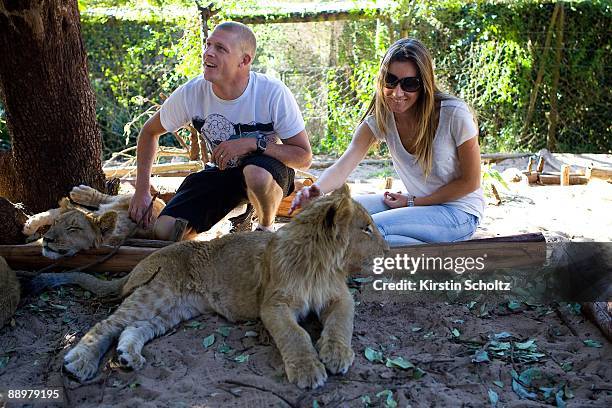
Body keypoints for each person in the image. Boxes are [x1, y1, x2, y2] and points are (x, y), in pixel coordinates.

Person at [290, 38, 484, 247]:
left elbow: (470, 182)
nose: (398, 93)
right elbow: (344, 165)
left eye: (410, 84)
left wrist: (412, 202)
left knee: (368, 231)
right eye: (391, 81)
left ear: (424, 85)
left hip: (458, 213)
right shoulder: (382, 118)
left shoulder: (454, 114)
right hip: (415, 206)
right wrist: (316, 190)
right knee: (332, 216)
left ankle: (420, 253)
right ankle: (421, 251)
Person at [129, 22, 312, 240]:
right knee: (165, 231)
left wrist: (252, 143)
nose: (208, 53)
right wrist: (142, 191)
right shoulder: (192, 92)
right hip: (222, 172)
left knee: (255, 173)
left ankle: (264, 228)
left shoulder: (271, 92)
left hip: (268, 172)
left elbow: (304, 157)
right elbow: (149, 133)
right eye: (208, 45)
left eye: (220, 48)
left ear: (244, 61)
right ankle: (239, 213)